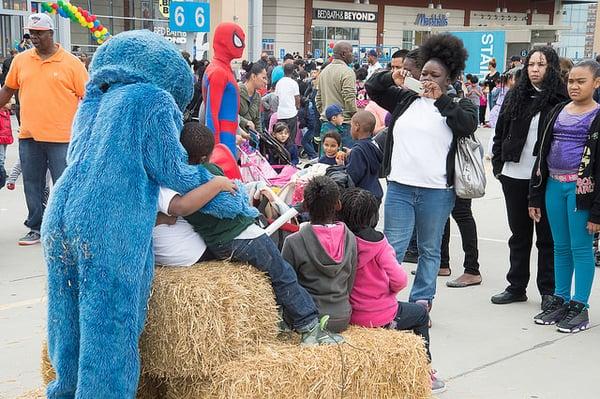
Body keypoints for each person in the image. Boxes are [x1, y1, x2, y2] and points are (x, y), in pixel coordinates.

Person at [180, 122, 343, 345]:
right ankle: (308, 325)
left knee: (265, 276)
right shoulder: (210, 174)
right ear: (206, 156)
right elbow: (233, 203)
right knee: (281, 274)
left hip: (217, 243)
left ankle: (281, 319)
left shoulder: (180, 180)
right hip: (242, 235)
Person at [366, 33, 477, 316]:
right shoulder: (406, 99)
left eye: (434, 74)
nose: (427, 78)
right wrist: (395, 77)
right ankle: (384, 301)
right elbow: (373, 88)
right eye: (424, 72)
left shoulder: (458, 105)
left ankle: (421, 303)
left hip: (436, 191)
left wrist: (441, 101)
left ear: (448, 79)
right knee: (393, 249)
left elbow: (466, 125)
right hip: (401, 188)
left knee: (429, 250)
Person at [339, 188, 446, 394]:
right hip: (381, 314)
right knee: (421, 314)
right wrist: (389, 289)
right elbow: (400, 280)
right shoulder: (378, 244)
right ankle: (425, 373)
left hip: (350, 313)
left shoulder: (341, 240)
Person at [0, 13, 88, 245]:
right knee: (32, 184)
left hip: (62, 138)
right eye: (31, 33)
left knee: (63, 185)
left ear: (51, 33)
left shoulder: (71, 64)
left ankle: (65, 226)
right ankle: (36, 227)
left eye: (39, 33)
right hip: (29, 135)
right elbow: (8, 91)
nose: (34, 38)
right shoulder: (20, 61)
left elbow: (89, 97)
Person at [491, 46, 568, 307]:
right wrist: (499, 166)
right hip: (514, 174)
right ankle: (516, 286)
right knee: (519, 235)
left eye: (541, 64)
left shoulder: (560, 100)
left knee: (546, 237)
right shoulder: (516, 95)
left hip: (546, 177)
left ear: (552, 68)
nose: (535, 69)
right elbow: (500, 131)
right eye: (531, 64)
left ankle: (548, 290)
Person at [528, 60, 600, 333]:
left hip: (582, 191)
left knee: (581, 248)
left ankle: (579, 306)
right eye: (571, 81)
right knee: (559, 246)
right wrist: (535, 196)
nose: (574, 86)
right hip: (553, 187)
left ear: (596, 83)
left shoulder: (598, 115)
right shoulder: (558, 110)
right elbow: (541, 155)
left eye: (581, 81)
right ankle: (560, 299)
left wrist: (597, 212)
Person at [282, 175, 357, 333]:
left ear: (305, 206)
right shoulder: (350, 237)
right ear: (338, 205)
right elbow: (350, 282)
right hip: (342, 317)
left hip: (308, 319)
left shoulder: (293, 242)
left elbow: (286, 287)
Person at [153, 173, 238, 267]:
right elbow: (180, 207)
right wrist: (218, 184)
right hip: (190, 250)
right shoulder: (153, 184)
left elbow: (169, 216)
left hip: (172, 252)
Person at [316, 41, 357, 148]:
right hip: (344, 124)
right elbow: (349, 97)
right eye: (351, 52)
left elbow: (318, 98)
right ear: (343, 54)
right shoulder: (347, 72)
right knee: (344, 159)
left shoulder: (323, 72)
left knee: (327, 159)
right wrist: (355, 115)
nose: (353, 55)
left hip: (326, 123)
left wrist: (326, 113)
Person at [346, 110, 383, 202]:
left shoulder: (358, 150)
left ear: (356, 127)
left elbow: (352, 177)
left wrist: (343, 164)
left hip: (361, 198)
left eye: (351, 126)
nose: (350, 129)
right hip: (375, 193)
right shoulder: (373, 144)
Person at [275, 63, 301, 144]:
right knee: (291, 137)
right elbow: (297, 98)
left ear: (284, 71)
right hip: (291, 113)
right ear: (293, 71)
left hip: (281, 113)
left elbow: (277, 97)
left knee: (280, 137)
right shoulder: (294, 83)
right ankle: (290, 154)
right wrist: (297, 107)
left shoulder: (279, 82)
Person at [239, 62, 267, 134]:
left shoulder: (257, 96)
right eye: (263, 78)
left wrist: (260, 137)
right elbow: (229, 115)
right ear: (253, 76)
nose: (266, 82)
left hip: (249, 140)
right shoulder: (237, 91)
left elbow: (257, 121)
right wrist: (245, 122)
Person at [0, 104, 12, 188]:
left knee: (3, 157)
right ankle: (1, 174)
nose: (10, 105)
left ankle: (2, 173)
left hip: (6, 138)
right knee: (1, 158)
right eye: (9, 103)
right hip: (1, 138)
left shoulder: (6, 113)